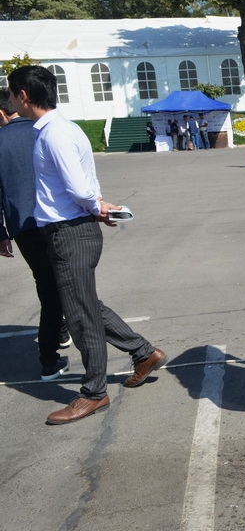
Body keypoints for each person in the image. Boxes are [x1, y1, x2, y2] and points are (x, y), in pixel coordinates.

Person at [7, 65, 167, 425]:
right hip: (70, 230)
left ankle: (94, 392)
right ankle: (142, 352)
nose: (11, 99)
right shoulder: (58, 129)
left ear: (25, 96)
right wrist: (96, 206)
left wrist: (96, 206)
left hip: (70, 232)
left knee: (80, 317)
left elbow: (79, 188)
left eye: (12, 93)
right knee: (83, 303)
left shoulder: (54, 134)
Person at [0, 89, 71, 380]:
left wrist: (1, 233)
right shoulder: (45, 131)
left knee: (46, 282)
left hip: (22, 226)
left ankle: (51, 352)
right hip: (57, 219)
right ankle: (51, 351)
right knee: (63, 283)